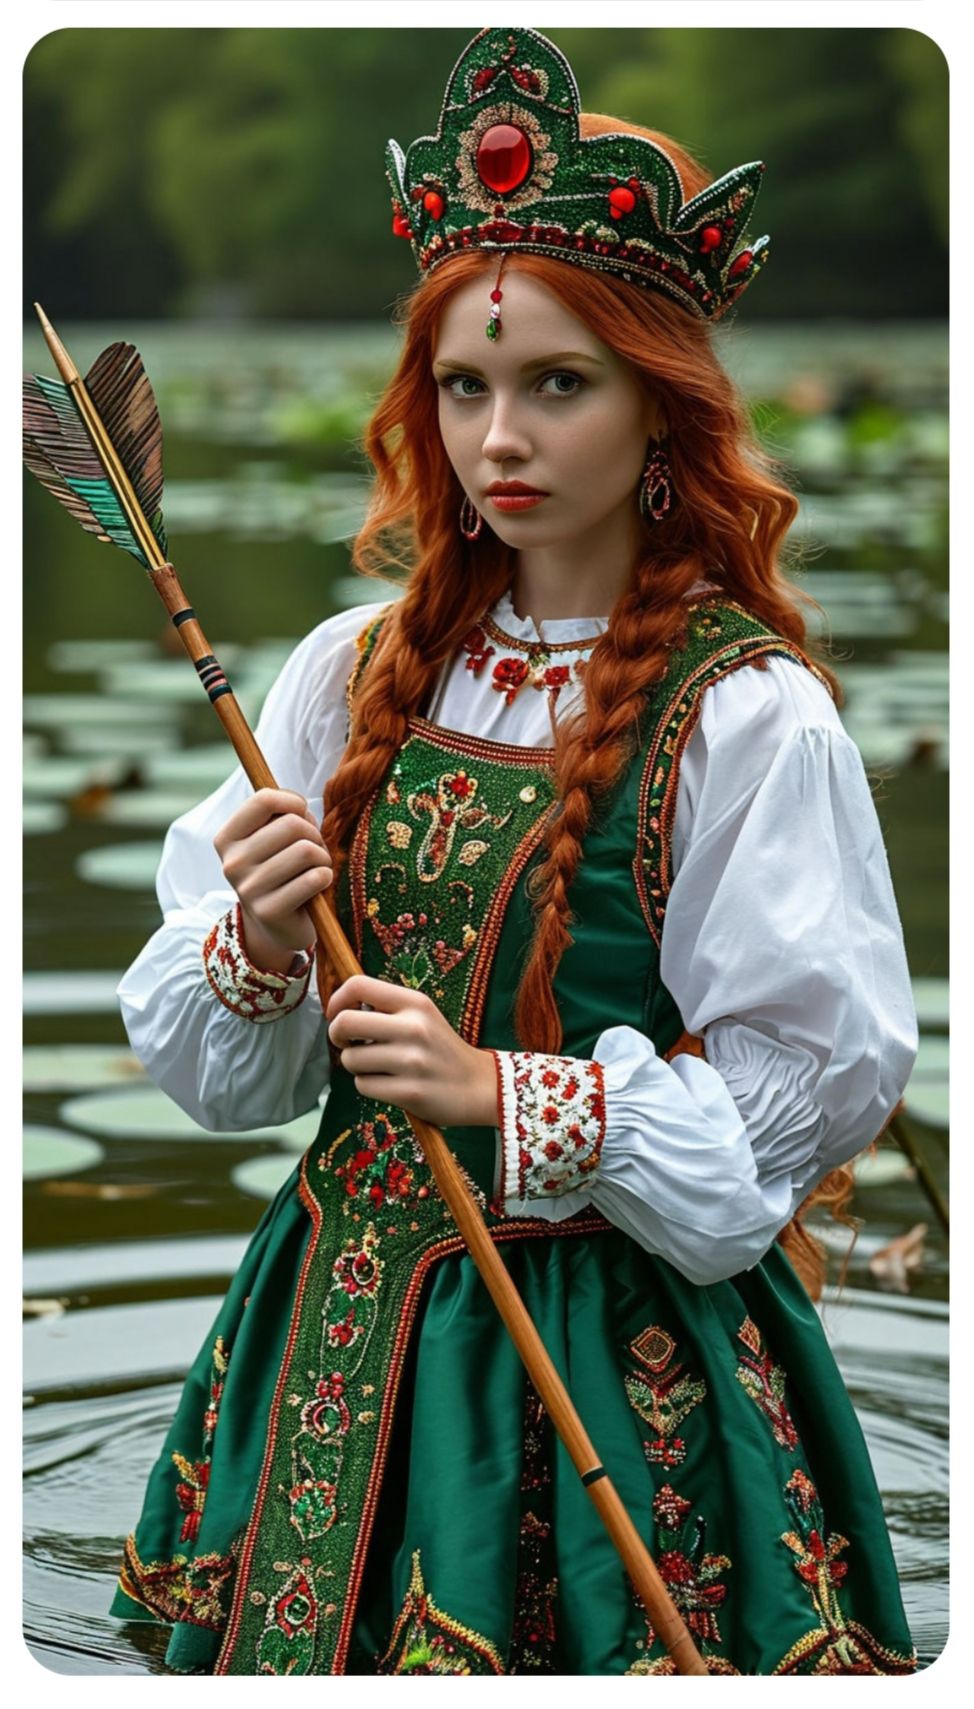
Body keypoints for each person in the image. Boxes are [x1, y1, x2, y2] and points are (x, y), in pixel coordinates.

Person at [108, 27, 918, 1675]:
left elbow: (810, 1081)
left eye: (558, 383)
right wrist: (256, 944)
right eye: (465, 387)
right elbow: (223, 1075)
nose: (500, 439)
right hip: (335, 1329)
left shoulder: (750, 716)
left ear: (659, 402)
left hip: (622, 1358)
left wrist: (504, 1092)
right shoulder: (352, 666)